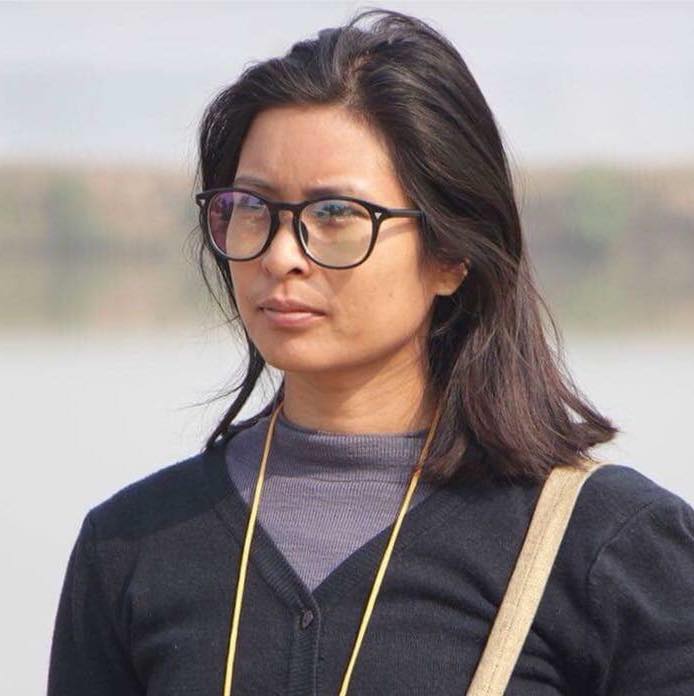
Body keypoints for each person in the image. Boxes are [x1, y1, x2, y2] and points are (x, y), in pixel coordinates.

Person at [47, 8, 694, 696]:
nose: (281, 256)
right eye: (252, 207)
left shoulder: (611, 550)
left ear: (452, 254)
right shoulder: (131, 547)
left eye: (335, 214)